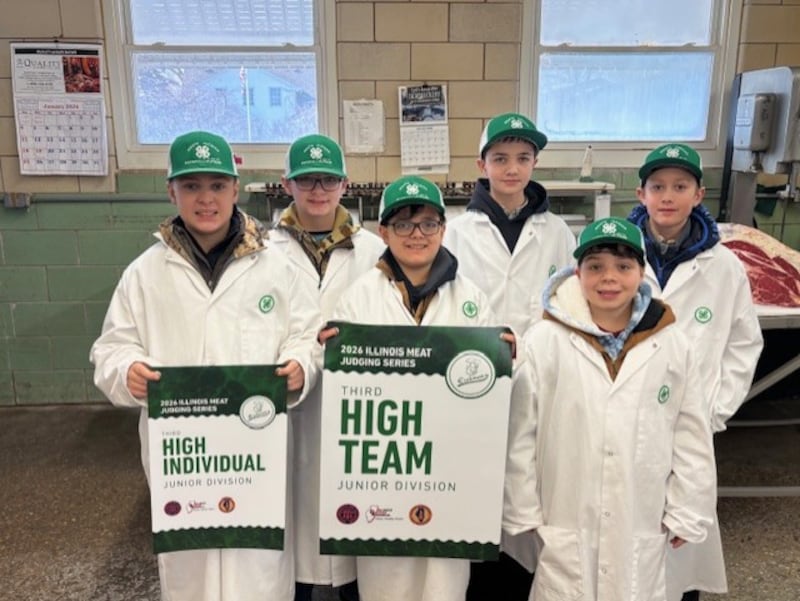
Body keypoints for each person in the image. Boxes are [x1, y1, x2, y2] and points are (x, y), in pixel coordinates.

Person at [90, 130, 322, 601]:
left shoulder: (277, 267)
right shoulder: (144, 273)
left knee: (258, 573)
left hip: (255, 458)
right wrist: (127, 370)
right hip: (185, 461)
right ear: (171, 190)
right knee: (189, 576)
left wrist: (301, 366)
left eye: (217, 185)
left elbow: (309, 338)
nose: (206, 199)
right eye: (191, 186)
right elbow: (110, 348)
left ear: (235, 190)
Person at [504, 216, 717, 601]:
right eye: (596, 266)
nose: (609, 278)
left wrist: (688, 505)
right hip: (566, 515)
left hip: (641, 513)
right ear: (577, 271)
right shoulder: (544, 340)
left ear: (641, 272)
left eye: (623, 267)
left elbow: (690, 433)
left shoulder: (671, 343)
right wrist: (524, 510)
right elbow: (522, 433)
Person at [321, 175, 514, 601]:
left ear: (444, 230)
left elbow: (489, 390)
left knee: (445, 585)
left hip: (449, 474)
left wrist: (507, 358)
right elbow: (336, 386)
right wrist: (328, 352)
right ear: (383, 232)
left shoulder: (472, 300)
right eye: (404, 224)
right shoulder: (357, 299)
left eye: (428, 223)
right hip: (384, 481)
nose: (417, 235)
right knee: (384, 583)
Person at [442, 111, 576, 599]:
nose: (512, 168)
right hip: (474, 376)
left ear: (535, 162)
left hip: (540, 375)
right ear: (482, 164)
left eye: (522, 158)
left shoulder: (558, 232)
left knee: (530, 481)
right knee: (477, 479)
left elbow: (567, 301)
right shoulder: (457, 231)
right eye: (500, 158)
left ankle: (524, 577)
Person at [628, 143, 764, 601]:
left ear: (699, 194)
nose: (668, 196)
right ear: (641, 193)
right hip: (622, 419)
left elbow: (743, 344)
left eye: (680, 187)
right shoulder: (614, 258)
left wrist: (714, 410)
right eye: (658, 187)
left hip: (689, 426)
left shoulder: (723, 267)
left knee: (681, 548)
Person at [271, 133, 385, 601]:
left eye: (328, 180)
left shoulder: (375, 250)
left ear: (345, 184)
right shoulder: (261, 250)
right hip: (290, 403)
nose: (318, 190)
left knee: (355, 528)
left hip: (358, 406)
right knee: (294, 528)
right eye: (306, 180)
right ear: (287, 185)